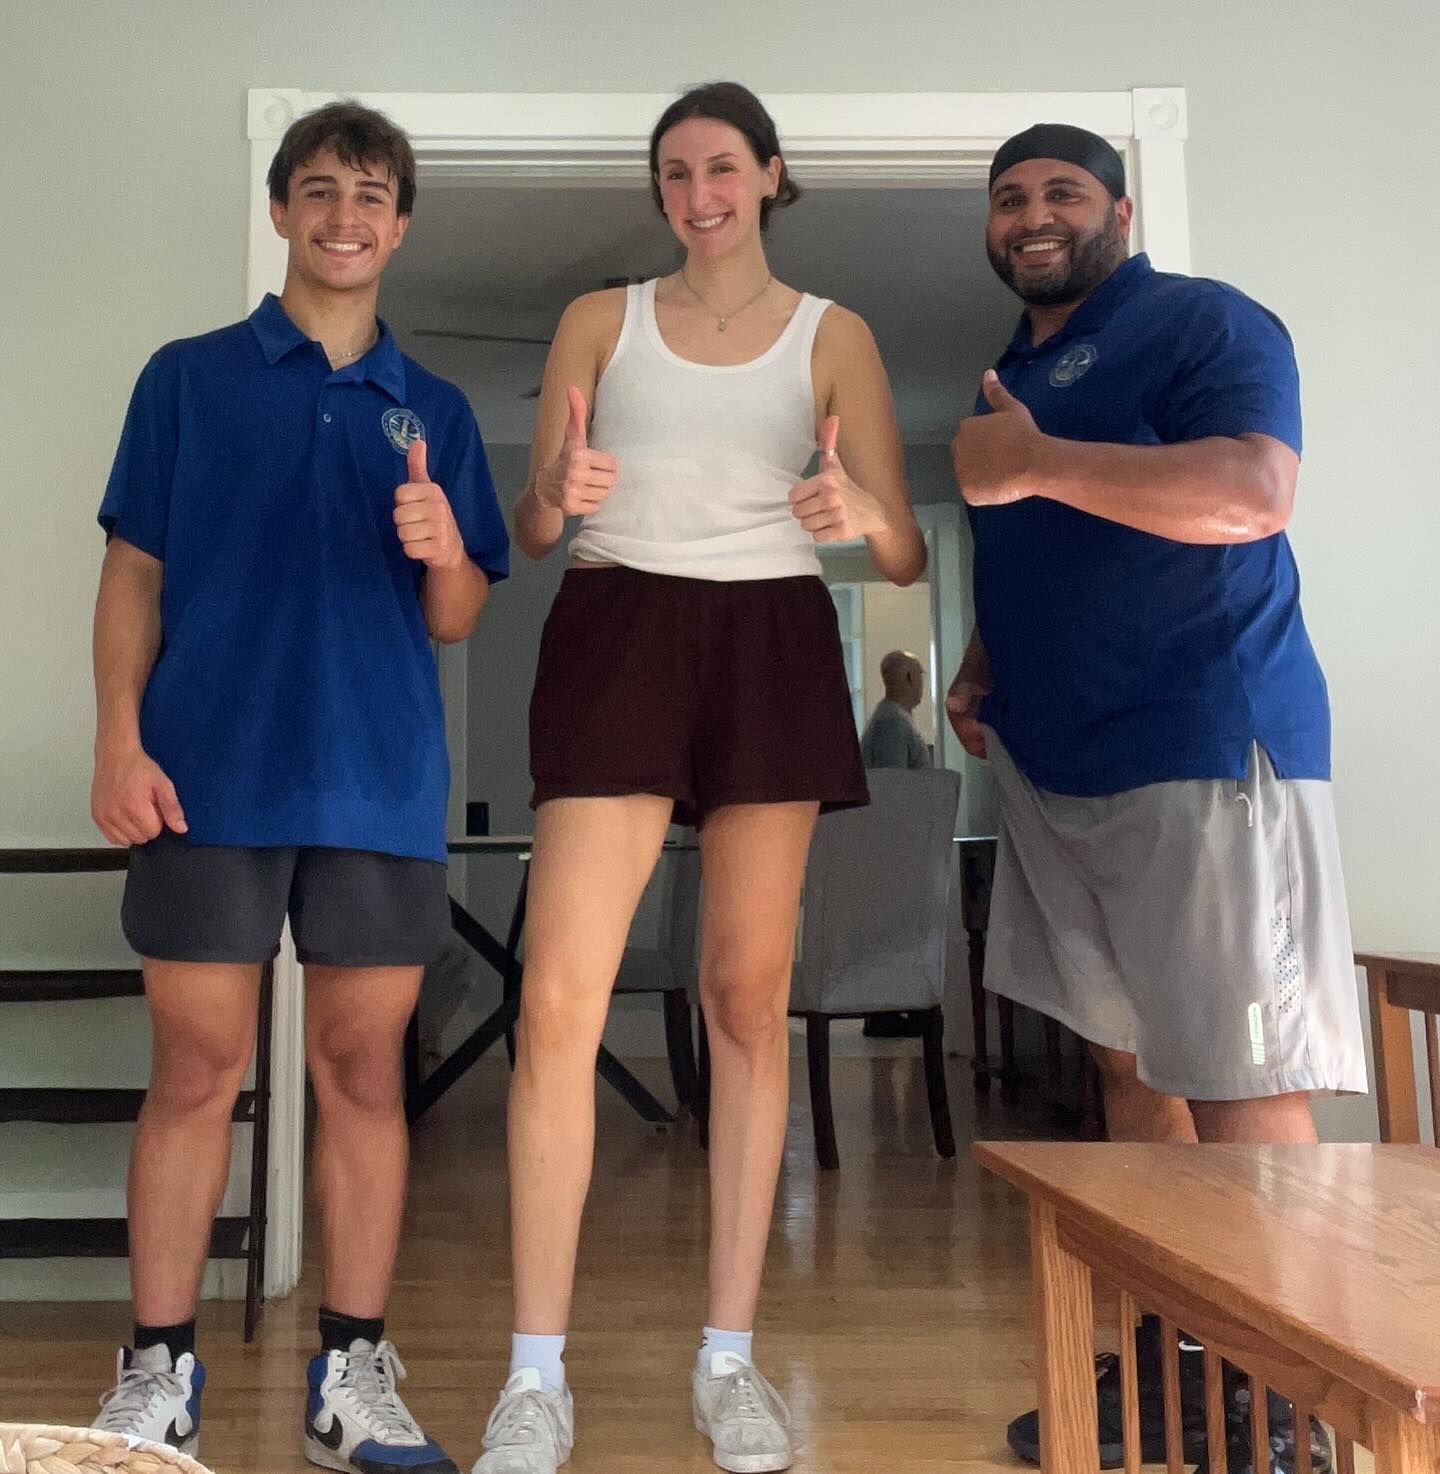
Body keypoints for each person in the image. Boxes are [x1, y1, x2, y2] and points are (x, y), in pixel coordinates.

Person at [470, 82, 925, 1474]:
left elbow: (905, 553)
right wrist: (558, 488)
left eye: (722, 167)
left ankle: (729, 1358)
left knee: (743, 997)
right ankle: (532, 1375)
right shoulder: (599, 320)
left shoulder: (833, 333)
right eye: (674, 173)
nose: (698, 193)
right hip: (618, 621)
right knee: (558, 998)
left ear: (772, 176)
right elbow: (537, 527)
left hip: (773, 630)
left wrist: (859, 518)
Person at [88, 101, 508, 1474]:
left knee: (361, 1074)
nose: (346, 216)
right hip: (204, 777)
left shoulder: (433, 411)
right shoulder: (188, 380)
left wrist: (447, 544)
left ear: (400, 223)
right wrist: (117, 736)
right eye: (319, 189)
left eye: (372, 194)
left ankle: (353, 1372)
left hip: (378, 786)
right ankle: (158, 1373)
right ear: (281, 210)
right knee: (198, 1068)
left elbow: (454, 618)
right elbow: (133, 575)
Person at [946, 122, 1362, 1474]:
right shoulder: (1019, 369)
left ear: (1120, 207)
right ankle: (1187, 1357)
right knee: (1130, 1067)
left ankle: (1290, 1387)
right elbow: (1052, 545)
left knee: (1241, 1077)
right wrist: (986, 656)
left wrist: (1041, 460)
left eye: (1062, 191)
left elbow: (1253, 492)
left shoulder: (1202, 323)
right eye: (1010, 198)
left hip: (1202, 744)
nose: (1033, 214)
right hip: (1060, 764)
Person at [859, 650, 931, 770]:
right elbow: (893, 783)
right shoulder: (892, 722)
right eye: (921, 674)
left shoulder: (890, 716)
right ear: (910, 677)